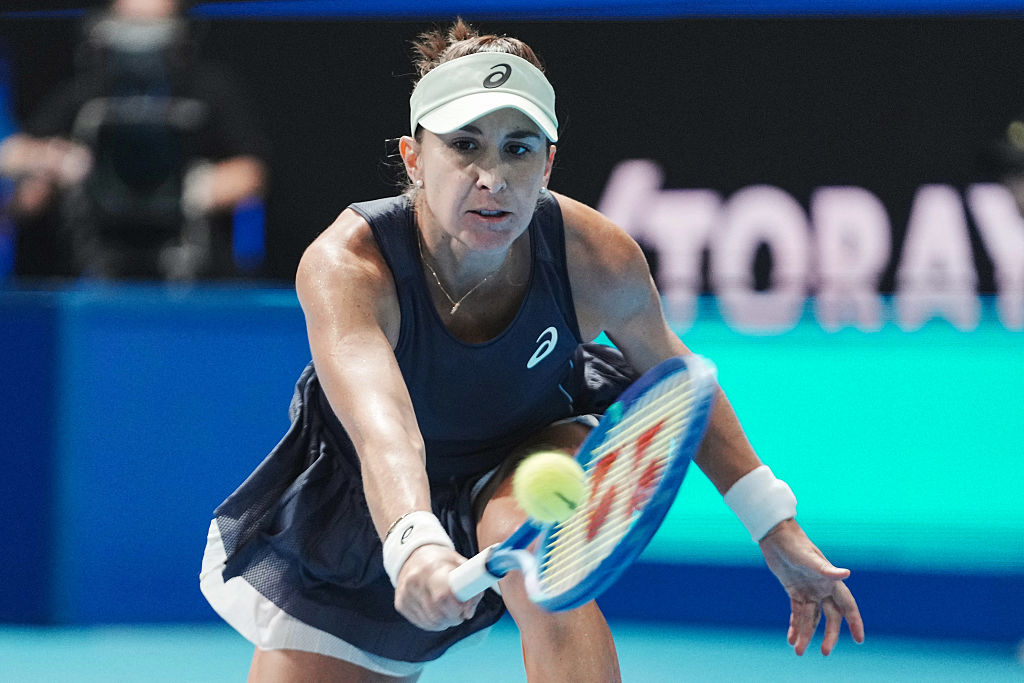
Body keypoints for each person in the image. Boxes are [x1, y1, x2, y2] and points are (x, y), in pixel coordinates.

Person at [199, 20, 864, 682]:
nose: (492, 177)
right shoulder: (348, 267)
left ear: (547, 164)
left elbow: (678, 380)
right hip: (371, 496)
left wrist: (774, 524)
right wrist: (414, 544)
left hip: (530, 447)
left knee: (541, 550)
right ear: (413, 157)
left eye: (518, 148)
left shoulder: (594, 256)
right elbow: (385, 433)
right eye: (464, 145)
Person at [0, 0, 268, 280]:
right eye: (131, 25)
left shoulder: (209, 89)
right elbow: (18, 160)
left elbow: (253, 170)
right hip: (93, 268)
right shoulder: (83, 93)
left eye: (153, 26)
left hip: (193, 269)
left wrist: (199, 187)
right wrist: (58, 161)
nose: (141, 38)